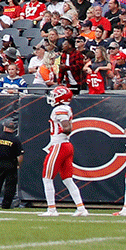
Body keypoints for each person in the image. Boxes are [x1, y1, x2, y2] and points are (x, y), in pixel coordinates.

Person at [41, 85, 91, 215]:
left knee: (47, 177)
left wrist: (64, 129)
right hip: (66, 145)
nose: (52, 97)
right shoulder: (65, 108)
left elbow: (67, 127)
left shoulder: (60, 109)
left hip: (59, 145)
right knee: (68, 179)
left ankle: (51, 209)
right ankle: (81, 208)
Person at [0, 116, 22, 209]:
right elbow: (20, 155)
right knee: (10, 186)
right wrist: (18, 165)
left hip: (1, 163)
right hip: (11, 164)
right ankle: (6, 205)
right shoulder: (15, 140)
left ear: (4, 127)